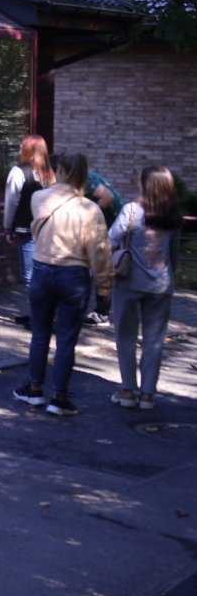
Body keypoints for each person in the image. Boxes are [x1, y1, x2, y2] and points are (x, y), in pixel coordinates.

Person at [13, 151, 112, 416]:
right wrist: (104, 290)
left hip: (43, 271)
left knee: (40, 334)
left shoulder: (38, 198)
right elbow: (100, 253)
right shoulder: (90, 210)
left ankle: (34, 389)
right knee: (67, 339)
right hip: (74, 275)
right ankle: (59, 397)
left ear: (60, 170)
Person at [108, 165, 183, 411]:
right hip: (161, 285)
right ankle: (148, 395)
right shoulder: (172, 218)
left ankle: (127, 390)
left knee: (126, 337)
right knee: (154, 341)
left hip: (128, 282)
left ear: (145, 185)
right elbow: (174, 255)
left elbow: (111, 240)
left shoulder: (131, 211)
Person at [3, 135, 54, 301]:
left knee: (30, 276)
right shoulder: (50, 172)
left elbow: (11, 201)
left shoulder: (19, 171)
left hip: (27, 228)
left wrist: (7, 228)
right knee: (47, 273)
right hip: (50, 230)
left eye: (21, 146)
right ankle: (45, 314)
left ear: (29, 150)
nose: (19, 150)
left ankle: (40, 317)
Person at [83, 170, 125, 325]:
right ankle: (100, 311)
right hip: (107, 224)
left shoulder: (86, 180)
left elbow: (108, 196)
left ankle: (102, 313)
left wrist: (89, 215)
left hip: (112, 225)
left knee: (102, 269)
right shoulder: (87, 177)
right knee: (100, 269)